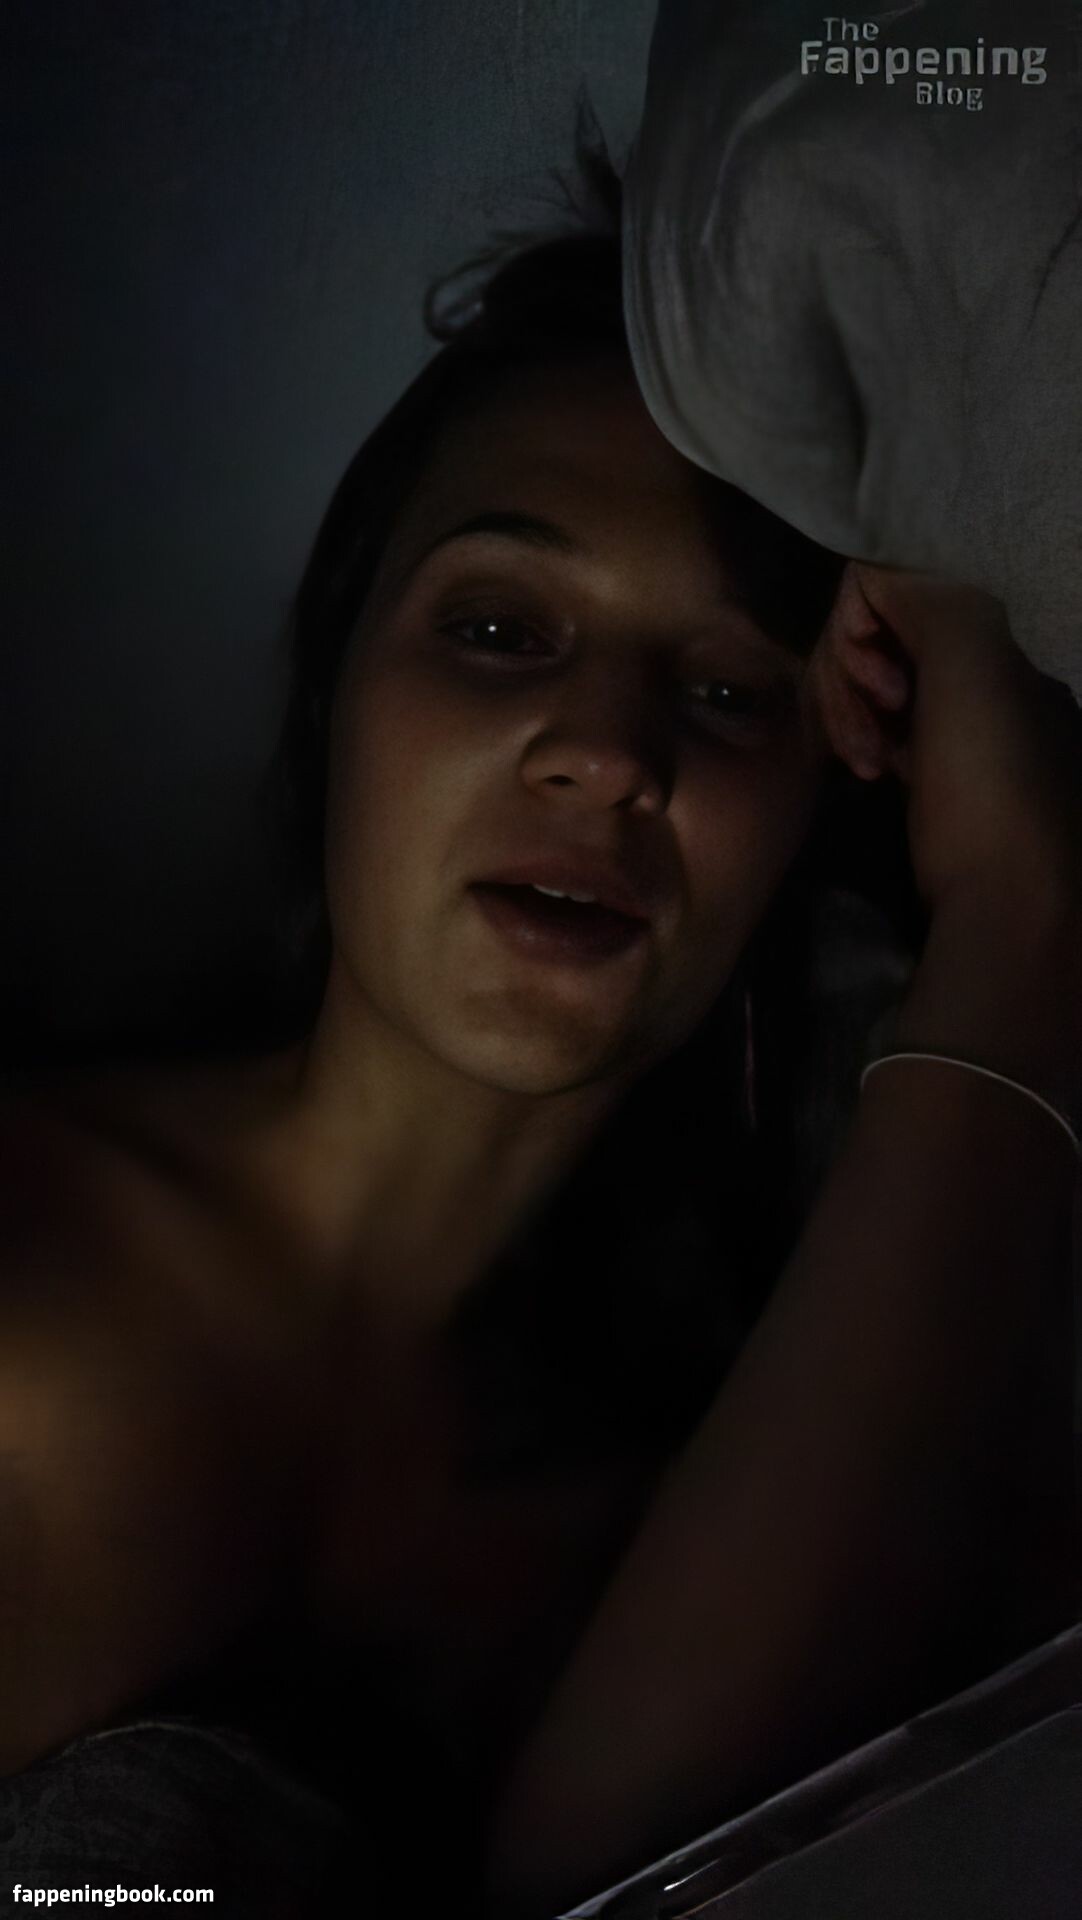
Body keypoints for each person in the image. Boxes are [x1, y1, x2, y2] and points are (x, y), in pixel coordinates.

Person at [1, 130, 1079, 1916]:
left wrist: (1015, 916)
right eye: (499, 628)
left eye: (725, 690)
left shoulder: (721, 1476)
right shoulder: (32, 1246)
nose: (607, 753)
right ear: (341, 687)